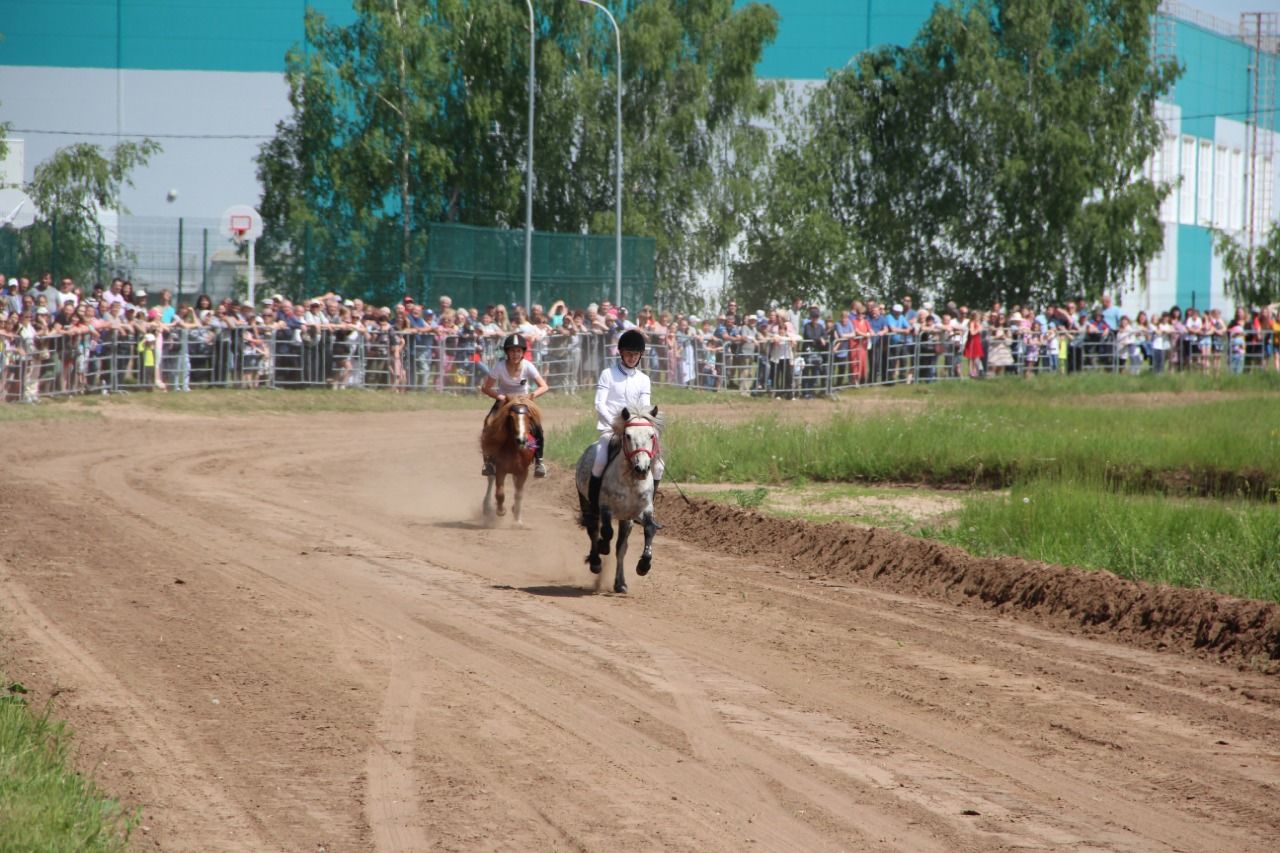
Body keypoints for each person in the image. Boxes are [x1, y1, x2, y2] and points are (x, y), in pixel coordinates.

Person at [584, 328, 665, 538]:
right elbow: (599, 403)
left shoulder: (643, 379)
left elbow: (645, 407)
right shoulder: (608, 374)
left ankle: (648, 508)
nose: (632, 357)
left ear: (640, 356)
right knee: (600, 460)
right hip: (611, 430)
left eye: (636, 354)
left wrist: (644, 426)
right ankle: (593, 509)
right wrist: (615, 424)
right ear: (621, 353)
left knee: (658, 466)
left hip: (636, 432)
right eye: (628, 353)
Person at [479, 333, 549, 478]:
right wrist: (500, 397)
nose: (515, 354)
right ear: (507, 352)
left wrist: (531, 396)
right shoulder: (499, 366)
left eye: (518, 351)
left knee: (537, 428)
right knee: (488, 423)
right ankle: (489, 461)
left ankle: (539, 461)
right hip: (504, 400)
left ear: (523, 352)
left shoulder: (528, 366)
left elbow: (544, 386)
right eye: (512, 351)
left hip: (523, 401)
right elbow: (486, 387)